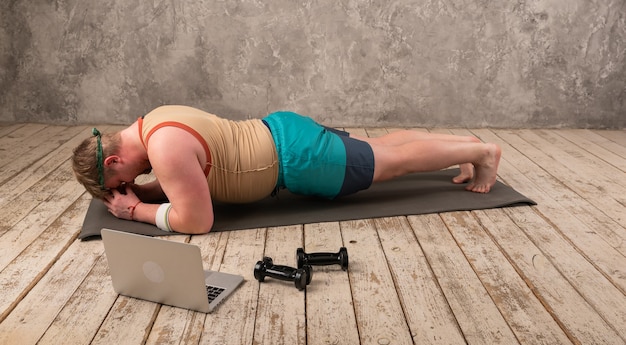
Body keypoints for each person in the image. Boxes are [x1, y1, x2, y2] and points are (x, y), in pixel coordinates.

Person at [72, 105, 501, 234]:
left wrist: (136, 211)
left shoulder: (163, 150)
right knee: (383, 147)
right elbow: (182, 177)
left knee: (392, 164)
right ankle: (466, 146)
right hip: (281, 131)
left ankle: (483, 155)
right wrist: (145, 194)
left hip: (300, 159)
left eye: (123, 179)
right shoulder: (154, 121)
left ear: (112, 159)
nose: (133, 182)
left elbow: (197, 220)